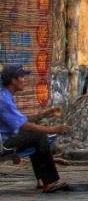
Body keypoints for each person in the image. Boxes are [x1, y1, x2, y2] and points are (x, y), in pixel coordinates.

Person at [2, 65, 70, 193]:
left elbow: (20, 120)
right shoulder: (4, 99)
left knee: (36, 135)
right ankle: (49, 182)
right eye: (21, 77)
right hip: (3, 144)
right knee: (38, 135)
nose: (24, 79)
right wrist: (53, 129)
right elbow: (23, 125)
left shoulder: (6, 96)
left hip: (8, 138)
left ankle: (42, 180)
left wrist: (43, 114)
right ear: (13, 80)